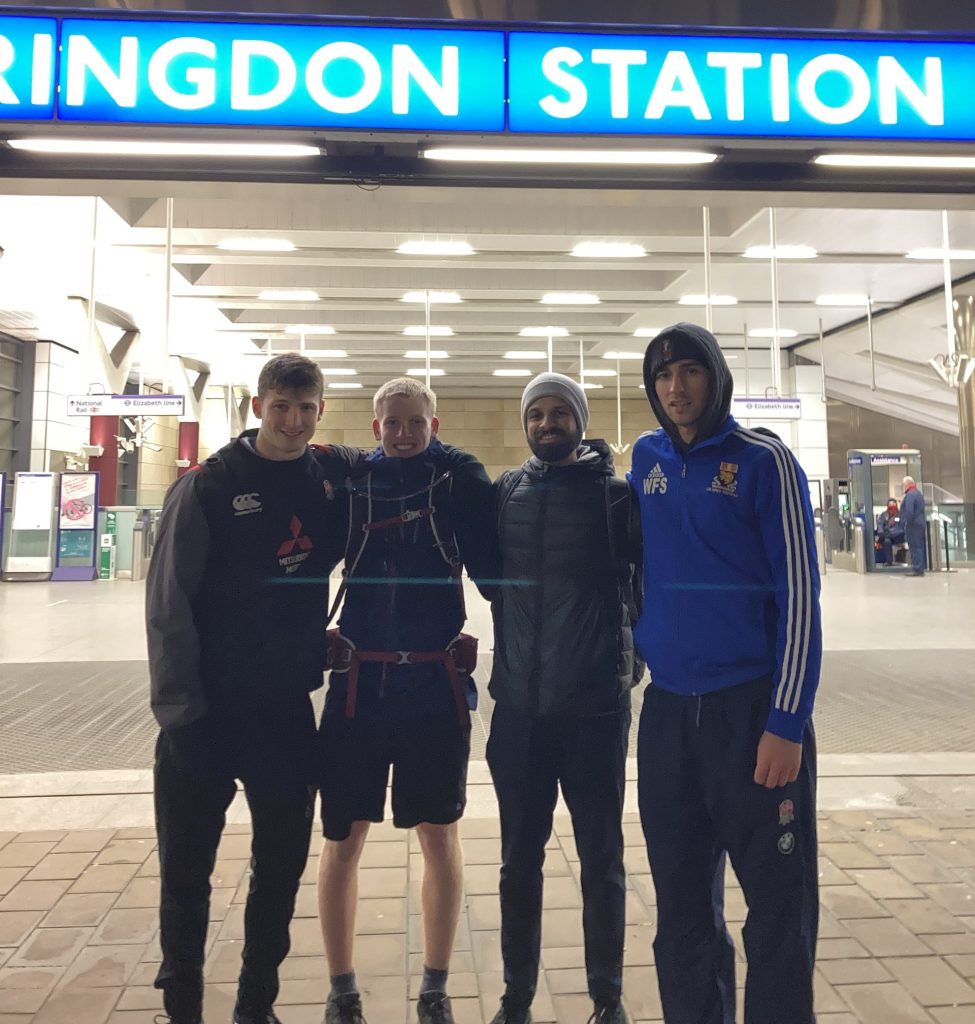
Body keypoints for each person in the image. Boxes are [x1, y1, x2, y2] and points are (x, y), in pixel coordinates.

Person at [146, 353, 360, 1024]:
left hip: (283, 713)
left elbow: (393, 455)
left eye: (305, 409)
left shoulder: (328, 480)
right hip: (204, 714)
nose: (292, 422)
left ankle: (253, 1006)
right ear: (256, 408)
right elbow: (167, 605)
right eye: (279, 408)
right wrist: (181, 713)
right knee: (186, 877)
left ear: (320, 411)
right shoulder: (208, 487)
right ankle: (182, 1007)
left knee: (278, 871)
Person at [628, 323, 822, 1024]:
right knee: (680, 908)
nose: (674, 389)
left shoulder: (763, 462)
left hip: (751, 717)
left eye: (688, 372)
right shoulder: (643, 460)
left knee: (777, 908)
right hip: (669, 717)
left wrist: (786, 720)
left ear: (715, 377)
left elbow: (799, 595)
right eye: (661, 377)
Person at [316, 378, 496, 1024]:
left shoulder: (455, 483)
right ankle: (342, 990)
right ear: (374, 429)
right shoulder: (351, 485)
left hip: (431, 692)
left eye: (414, 421)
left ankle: (435, 987)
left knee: (440, 838)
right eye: (390, 422)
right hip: (358, 691)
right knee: (341, 840)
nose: (402, 433)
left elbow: (499, 570)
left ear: (433, 423)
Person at [486, 373, 642, 1024]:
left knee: (600, 857)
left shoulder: (614, 499)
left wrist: (625, 655)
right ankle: (516, 996)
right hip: (519, 711)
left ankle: (606, 997)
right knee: (517, 862)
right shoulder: (505, 494)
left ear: (579, 422)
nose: (547, 424)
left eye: (559, 414)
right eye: (537, 415)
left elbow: (644, 583)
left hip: (593, 711)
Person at [901, 475, 926, 576]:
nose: (903, 487)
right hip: (920, 524)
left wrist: (907, 523)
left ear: (907, 484)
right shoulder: (918, 493)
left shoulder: (910, 495)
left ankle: (917, 569)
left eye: (903, 485)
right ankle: (920, 568)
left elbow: (909, 511)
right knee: (919, 547)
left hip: (913, 525)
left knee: (914, 547)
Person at [876, 498, 905, 566]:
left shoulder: (900, 515)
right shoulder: (883, 515)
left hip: (898, 536)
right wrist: (881, 532)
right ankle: (889, 562)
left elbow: (901, 527)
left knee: (895, 534)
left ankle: (885, 536)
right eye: (890, 505)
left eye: (893, 505)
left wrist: (888, 533)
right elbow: (880, 525)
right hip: (887, 537)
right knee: (887, 541)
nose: (892, 507)